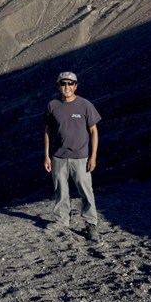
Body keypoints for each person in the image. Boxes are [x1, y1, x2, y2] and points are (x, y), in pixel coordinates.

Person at [44, 71, 101, 242]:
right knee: (60, 191)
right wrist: (46, 156)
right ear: (58, 86)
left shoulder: (85, 105)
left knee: (86, 191)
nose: (67, 87)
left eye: (70, 83)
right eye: (63, 84)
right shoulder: (52, 106)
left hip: (81, 157)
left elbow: (93, 131)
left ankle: (91, 224)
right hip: (59, 157)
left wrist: (93, 156)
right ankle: (62, 221)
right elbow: (48, 131)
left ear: (76, 86)